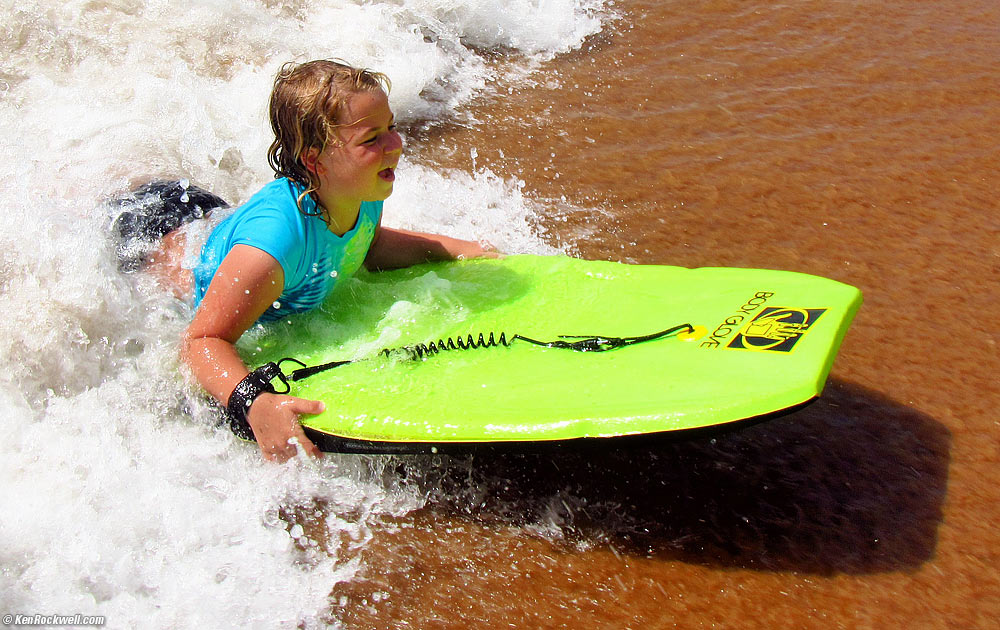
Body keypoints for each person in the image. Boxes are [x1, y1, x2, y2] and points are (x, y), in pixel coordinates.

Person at [122, 60, 495, 462]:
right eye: (371, 139)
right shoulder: (276, 247)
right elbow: (200, 341)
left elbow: (366, 247)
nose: (394, 145)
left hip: (208, 217)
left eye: (391, 127)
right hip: (147, 236)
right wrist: (253, 402)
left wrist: (460, 250)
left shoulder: (361, 193)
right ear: (315, 159)